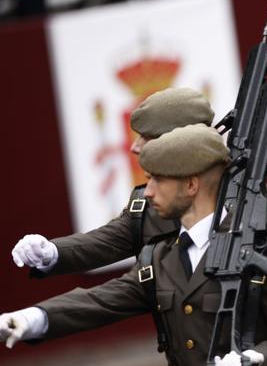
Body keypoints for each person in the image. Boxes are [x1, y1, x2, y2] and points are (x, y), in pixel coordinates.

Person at [1, 124, 267, 366]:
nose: (148, 191)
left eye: (157, 179)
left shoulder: (262, 246)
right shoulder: (161, 257)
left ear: (191, 185)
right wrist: (31, 319)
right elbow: (100, 301)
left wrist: (255, 359)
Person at [11, 87, 215, 276]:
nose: (134, 147)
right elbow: (107, 242)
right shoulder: (148, 204)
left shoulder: (241, 194)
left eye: (146, 137)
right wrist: (50, 252)